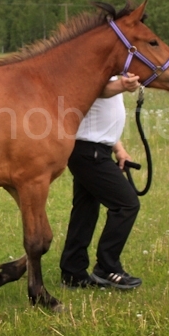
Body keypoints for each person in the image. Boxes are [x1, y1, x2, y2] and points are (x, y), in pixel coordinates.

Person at [60, 72, 143, 290]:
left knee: (85, 211)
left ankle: (73, 272)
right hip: (89, 151)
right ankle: (107, 267)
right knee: (126, 204)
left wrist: (119, 149)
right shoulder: (94, 70)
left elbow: (103, 116)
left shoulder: (110, 71)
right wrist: (123, 85)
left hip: (95, 149)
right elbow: (99, 89)